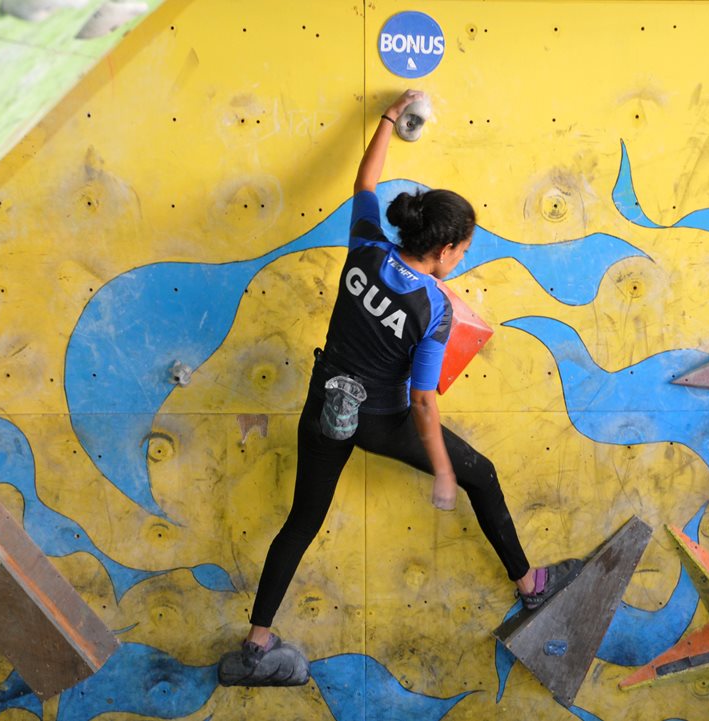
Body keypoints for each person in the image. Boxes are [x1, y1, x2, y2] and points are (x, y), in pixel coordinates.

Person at [218, 90, 581, 687]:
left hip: (324, 410)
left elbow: (366, 179)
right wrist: (442, 468)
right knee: (480, 472)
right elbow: (422, 401)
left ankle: (255, 650)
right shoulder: (434, 309)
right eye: (463, 249)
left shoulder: (364, 247)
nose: (463, 256)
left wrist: (389, 118)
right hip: (380, 421)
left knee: (300, 523)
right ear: (442, 251)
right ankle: (530, 586)